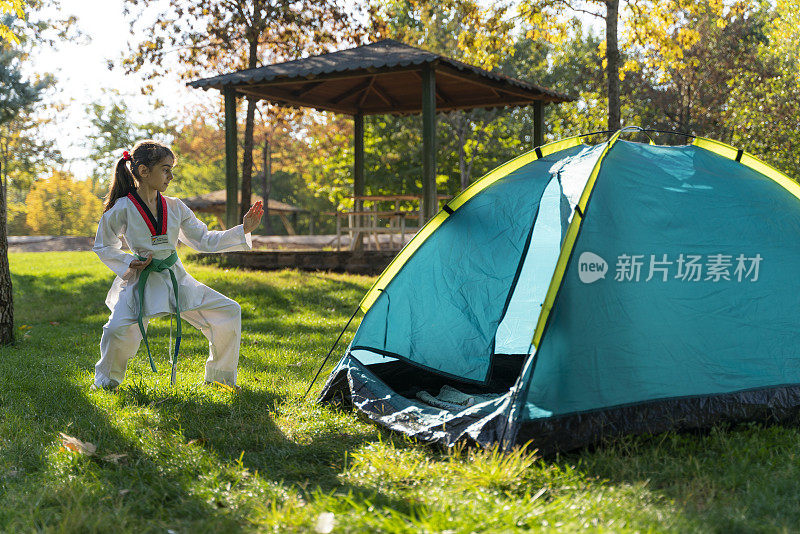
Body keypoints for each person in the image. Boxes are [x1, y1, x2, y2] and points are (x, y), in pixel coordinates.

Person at [92, 139, 264, 390]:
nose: (170, 176)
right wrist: (130, 261)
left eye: (172, 169)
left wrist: (243, 230)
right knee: (116, 330)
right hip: (142, 280)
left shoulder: (174, 206)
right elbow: (103, 246)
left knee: (228, 311)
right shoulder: (123, 208)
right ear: (143, 171)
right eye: (165, 169)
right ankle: (106, 382)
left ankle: (220, 377)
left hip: (176, 279)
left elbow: (204, 239)